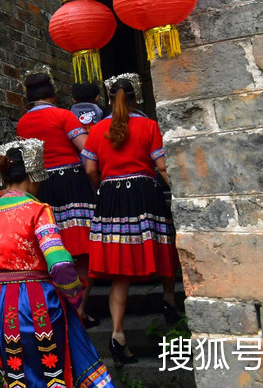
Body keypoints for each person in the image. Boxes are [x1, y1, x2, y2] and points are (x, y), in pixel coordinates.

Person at [0, 140, 112, 388]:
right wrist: (74, 295)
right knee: (51, 371)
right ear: (34, 175)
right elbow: (60, 266)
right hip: (35, 304)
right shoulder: (37, 210)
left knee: (16, 376)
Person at [83, 77, 180, 365]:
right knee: (161, 245)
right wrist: (177, 191)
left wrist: (104, 185)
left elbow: (89, 169)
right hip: (143, 192)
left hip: (112, 196)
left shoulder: (98, 129)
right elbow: (161, 164)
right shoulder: (148, 126)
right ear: (136, 97)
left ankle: (117, 334)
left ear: (109, 99)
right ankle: (169, 301)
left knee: (120, 267)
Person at [16, 72, 97, 326]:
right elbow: (86, 148)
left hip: (42, 187)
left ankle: (62, 308)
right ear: (52, 92)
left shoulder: (22, 124)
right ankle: (81, 308)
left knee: (53, 247)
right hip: (72, 182)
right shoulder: (63, 115)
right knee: (83, 248)